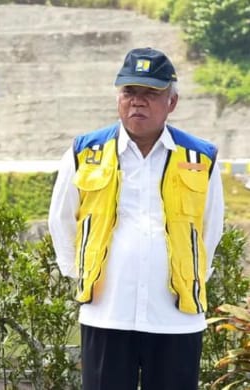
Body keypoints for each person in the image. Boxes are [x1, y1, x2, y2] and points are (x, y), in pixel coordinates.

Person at [48, 47, 225, 390]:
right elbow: (61, 219)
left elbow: (210, 228)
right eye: (129, 92)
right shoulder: (86, 151)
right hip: (106, 312)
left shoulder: (200, 156)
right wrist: (79, 273)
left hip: (175, 318)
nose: (137, 102)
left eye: (150, 93)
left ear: (172, 102)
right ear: (118, 97)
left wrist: (191, 278)